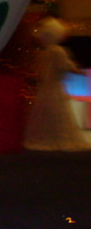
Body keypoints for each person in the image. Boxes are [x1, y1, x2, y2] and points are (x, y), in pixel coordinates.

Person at [23, 16, 91, 151]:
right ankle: (58, 139)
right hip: (55, 89)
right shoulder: (58, 51)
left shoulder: (44, 51)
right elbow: (66, 66)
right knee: (59, 116)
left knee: (45, 116)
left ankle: (47, 138)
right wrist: (80, 72)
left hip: (43, 90)